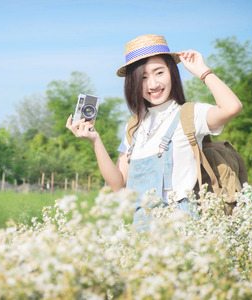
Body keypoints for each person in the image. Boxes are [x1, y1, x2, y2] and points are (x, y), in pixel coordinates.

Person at [66, 34, 242, 230]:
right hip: (141, 227)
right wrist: (95, 140)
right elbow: (117, 186)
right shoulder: (133, 126)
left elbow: (232, 107)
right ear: (133, 82)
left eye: (159, 73)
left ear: (172, 73)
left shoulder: (190, 114)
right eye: (143, 77)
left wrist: (202, 71)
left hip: (182, 227)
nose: (153, 84)